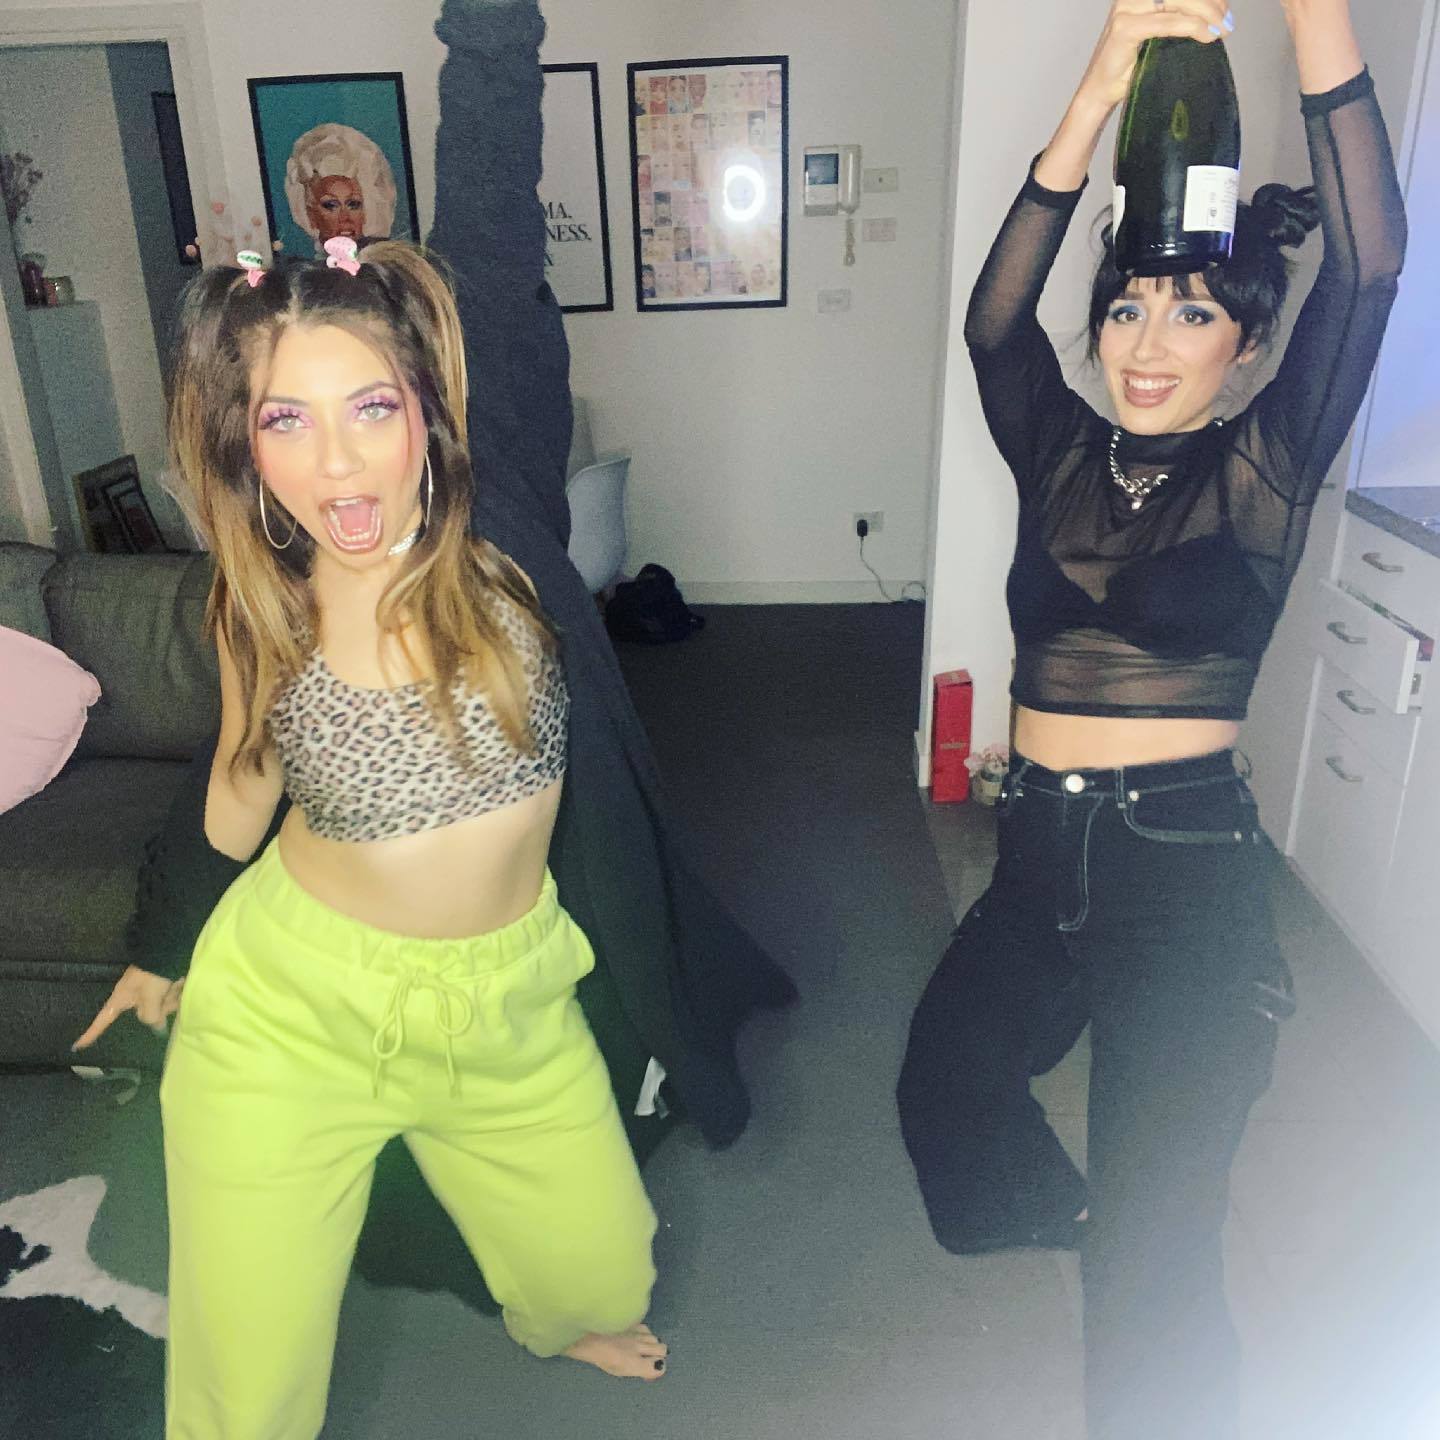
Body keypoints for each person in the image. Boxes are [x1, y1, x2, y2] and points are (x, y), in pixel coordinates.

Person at [75, 0, 795, 1412]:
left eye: (370, 409)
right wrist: (163, 948)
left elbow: (493, 190)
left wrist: (490, 29)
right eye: (284, 420)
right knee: (247, 1366)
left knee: (599, 1266)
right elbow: (238, 784)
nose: (338, 466)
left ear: (429, 406)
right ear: (246, 444)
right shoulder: (262, 602)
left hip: (509, 1000)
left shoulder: (502, 524)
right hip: (291, 1012)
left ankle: (559, 1314)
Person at [896, 2, 1404, 1438]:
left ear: (1247, 344)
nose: (1146, 342)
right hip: (1035, 862)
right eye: (1128, 305)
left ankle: (1135, 1249)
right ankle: (1080, 1216)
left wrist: (1311, 14)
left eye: (1192, 312)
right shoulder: (1059, 450)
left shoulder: (1263, 472)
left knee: (1155, 1265)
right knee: (945, 1087)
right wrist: (1106, 73)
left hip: (1181, 879)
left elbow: (1371, 263)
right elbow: (996, 319)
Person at [284, 123, 399, 255]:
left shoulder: (385, 264)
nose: (345, 218)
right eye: (331, 205)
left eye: (353, 204)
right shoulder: (303, 267)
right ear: (310, 213)